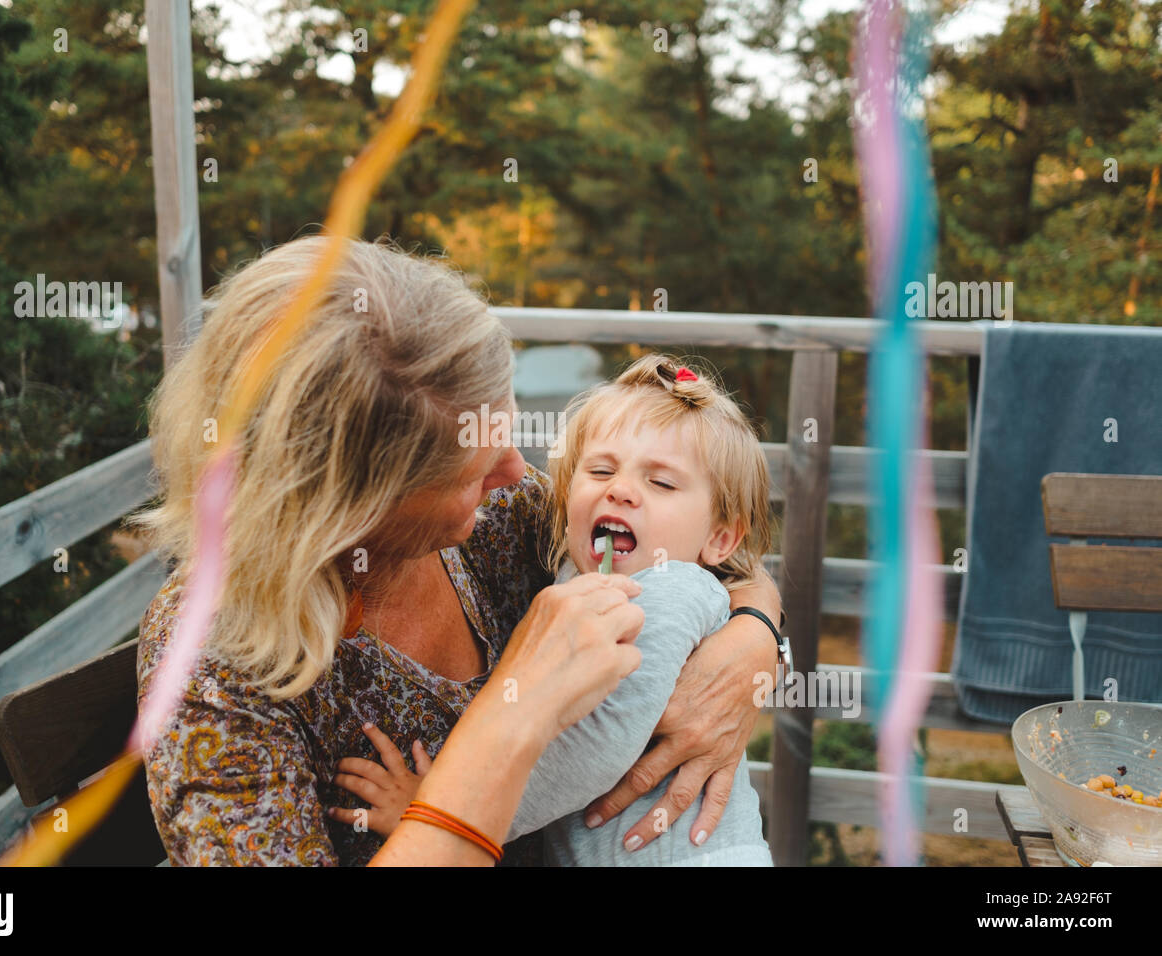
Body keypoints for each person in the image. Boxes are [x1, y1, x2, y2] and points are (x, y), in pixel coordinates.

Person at [132, 234, 783, 865]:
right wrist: (511, 720)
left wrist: (750, 642)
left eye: (504, 429)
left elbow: (716, 565)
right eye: (469, 471)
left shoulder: (498, 512)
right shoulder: (213, 667)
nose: (515, 471)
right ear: (349, 509)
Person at [335, 353, 777, 865]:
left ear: (720, 537)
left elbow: (597, 747)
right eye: (600, 469)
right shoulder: (577, 567)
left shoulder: (669, 590)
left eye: (661, 483)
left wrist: (436, 808)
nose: (621, 489)